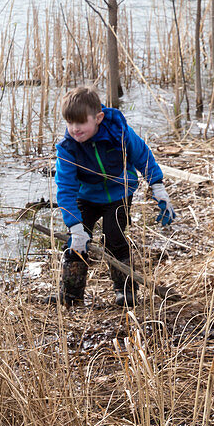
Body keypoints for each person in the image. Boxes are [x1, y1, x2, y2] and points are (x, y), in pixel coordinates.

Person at [49, 86, 175, 307]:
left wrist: (157, 186)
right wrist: (75, 228)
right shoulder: (68, 149)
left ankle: (126, 290)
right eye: (70, 123)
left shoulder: (119, 132)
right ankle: (71, 293)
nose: (75, 129)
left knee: (114, 237)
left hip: (118, 194)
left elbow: (142, 155)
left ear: (98, 118)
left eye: (80, 122)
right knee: (76, 242)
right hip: (85, 197)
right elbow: (65, 189)